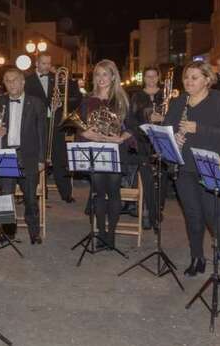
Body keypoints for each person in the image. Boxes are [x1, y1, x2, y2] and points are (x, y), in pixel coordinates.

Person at [163, 60, 220, 286]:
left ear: (208, 79)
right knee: (193, 215)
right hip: (184, 166)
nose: (189, 81)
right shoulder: (179, 102)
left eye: (195, 77)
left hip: (212, 165)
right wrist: (174, 138)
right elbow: (169, 127)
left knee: (216, 218)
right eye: (187, 77)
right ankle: (197, 258)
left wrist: (199, 128)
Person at [76, 60, 134, 249]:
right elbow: (79, 126)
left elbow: (133, 127)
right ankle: (101, 233)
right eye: (98, 75)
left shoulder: (122, 100)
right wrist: (86, 133)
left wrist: (121, 138)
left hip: (115, 150)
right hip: (95, 149)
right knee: (99, 193)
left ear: (113, 77)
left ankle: (111, 235)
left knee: (114, 192)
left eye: (105, 74)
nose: (101, 78)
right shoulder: (88, 100)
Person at [0, 68, 47, 244]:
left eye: (15, 80)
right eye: (7, 80)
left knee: (30, 197)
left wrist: (41, 159)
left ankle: (34, 232)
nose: (11, 83)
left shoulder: (36, 103)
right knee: (6, 196)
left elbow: (42, 134)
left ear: (23, 82)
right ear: (4, 84)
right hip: (6, 154)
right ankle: (8, 233)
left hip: (28, 156)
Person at [24, 53, 82, 203]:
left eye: (49, 63)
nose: (47, 66)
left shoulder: (56, 78)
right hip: (36, 124)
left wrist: (62, 103)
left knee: (60, 158)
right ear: (36, 64)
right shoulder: (27, 81)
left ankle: (66, 193)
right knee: (38, 158)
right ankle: (39, 192)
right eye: (43, 63)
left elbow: (74, 97)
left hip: (56, 122)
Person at [128, 66, 168, 229]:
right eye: (148, 77)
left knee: (162, 178)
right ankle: (148, 212)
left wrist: (163, 118)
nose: (151, 80)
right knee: (147, 179)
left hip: (162, 140)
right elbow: (130, 120)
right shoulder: (137, 96)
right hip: (143, 141)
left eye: (154, 76)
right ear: (143, 78)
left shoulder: (166, 94)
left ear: (159, 77)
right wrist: (144, 125)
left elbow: (177, 116)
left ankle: (158, 210)